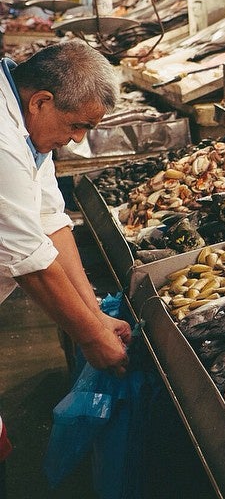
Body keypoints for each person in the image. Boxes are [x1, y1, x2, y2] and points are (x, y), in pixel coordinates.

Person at [0, 40, 132, 479]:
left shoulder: (26, 127)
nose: (78, 140)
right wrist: (93, 339)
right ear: (41, 101)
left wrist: (94, 312)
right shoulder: (2, 140)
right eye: (76, 126)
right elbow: (29, 260)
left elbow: (50, 220)